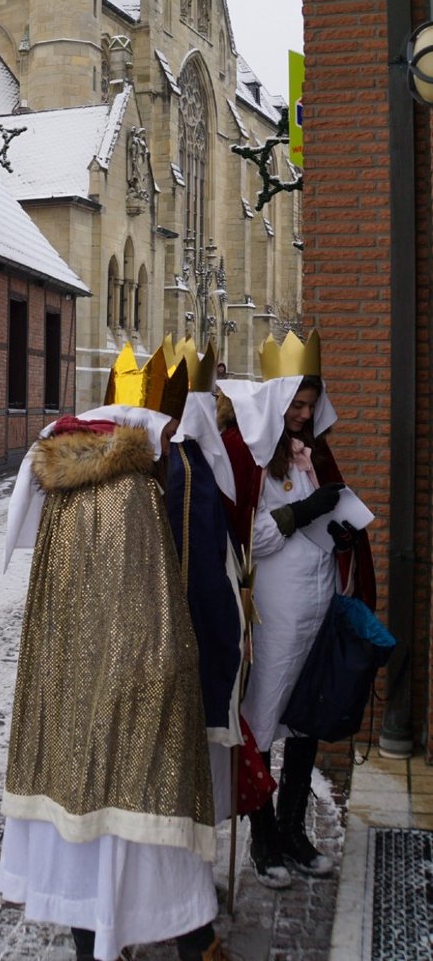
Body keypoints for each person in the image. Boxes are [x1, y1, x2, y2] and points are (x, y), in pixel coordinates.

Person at [0, 362, 228, 961]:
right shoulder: (134, 493)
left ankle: (93, 943)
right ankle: (182, 938)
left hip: (70, 684)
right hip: (131, 690)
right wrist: (177, 669)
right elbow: (149, 607)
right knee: (136, 820)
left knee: (79, 825)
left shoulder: (66, 489)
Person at [216, 331, 375, 890]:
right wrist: (302, 510)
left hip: (318, 603)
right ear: (279, 400)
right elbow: (252, 540)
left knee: (307, 718)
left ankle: (294, 832)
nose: (305, 416)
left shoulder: (312, 455)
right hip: (277, 615)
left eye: (311, 405)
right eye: (297, 406)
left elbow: (318, 527)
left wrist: (342, 533)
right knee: (263, 717)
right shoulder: (252, 454)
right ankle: (263, 839)